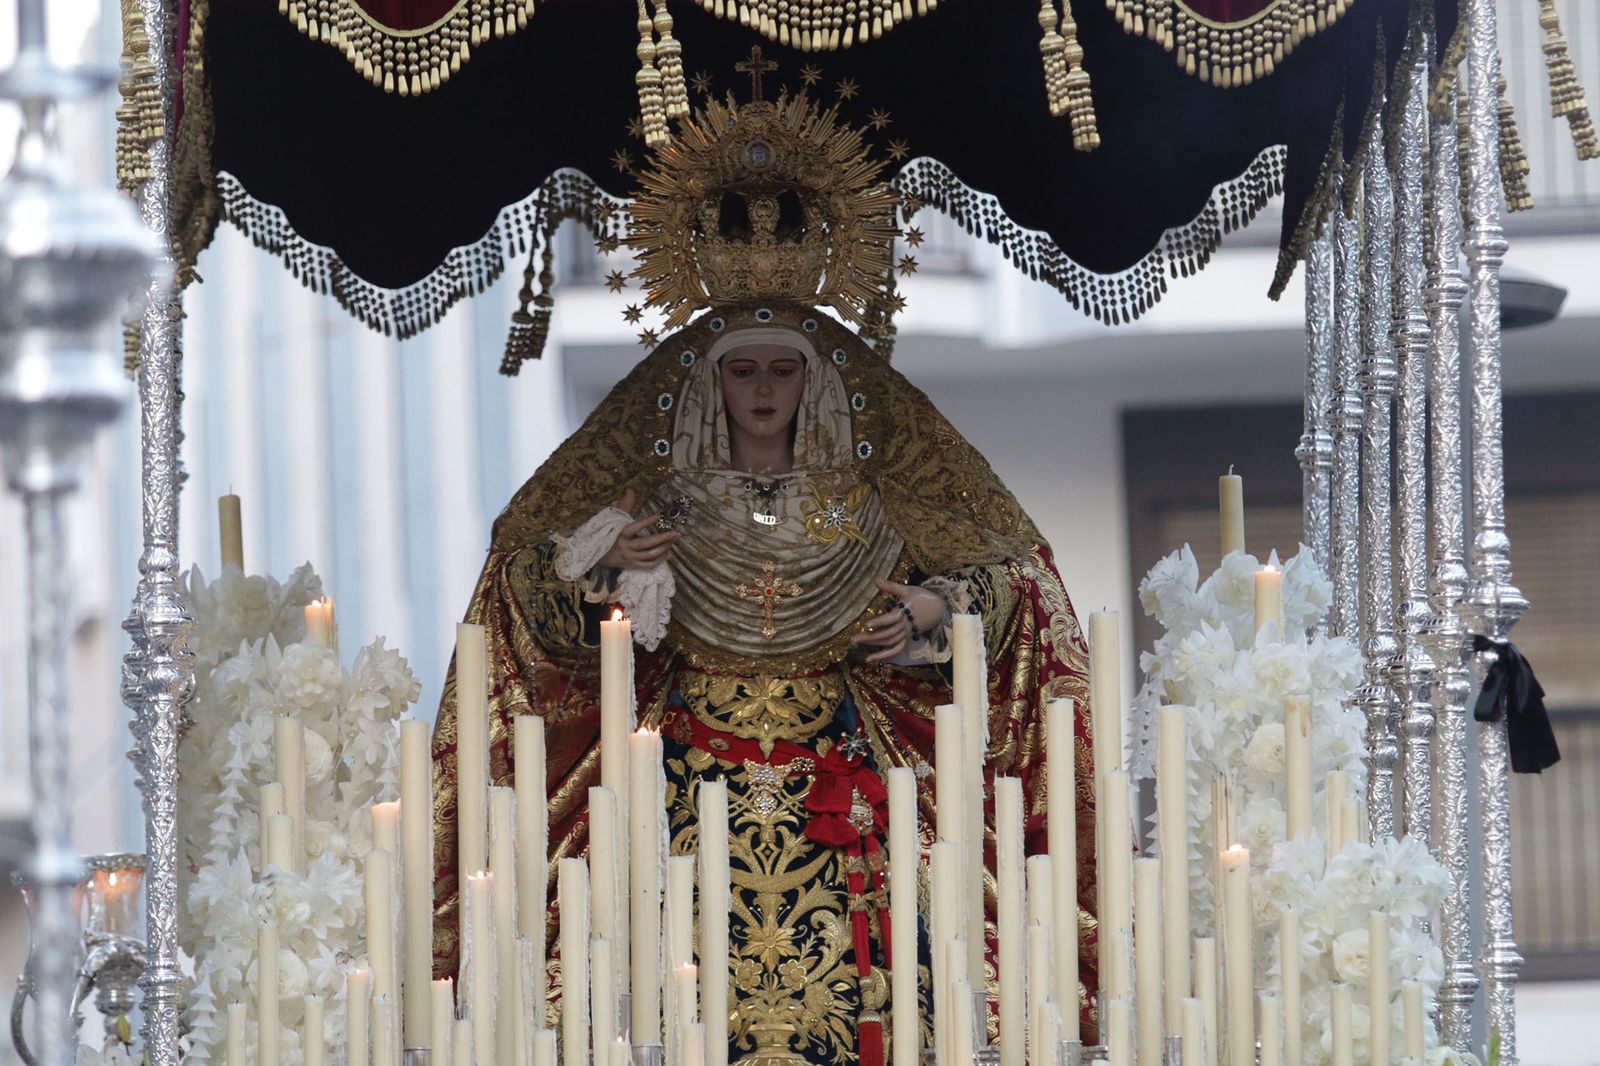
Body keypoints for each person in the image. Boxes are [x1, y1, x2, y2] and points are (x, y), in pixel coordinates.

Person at [431, 302, 1101, 1063]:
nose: (762, 391)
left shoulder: (871, 501)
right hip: (685, 784)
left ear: (815, 384)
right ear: (710, 382)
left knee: (891, 990)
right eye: (742, 371)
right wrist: (602, 557)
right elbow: (525, 592)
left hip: (841, 783)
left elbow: (1011, 577)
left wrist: (936, 604)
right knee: (657, 980)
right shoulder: (663, 504)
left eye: (784, 371)